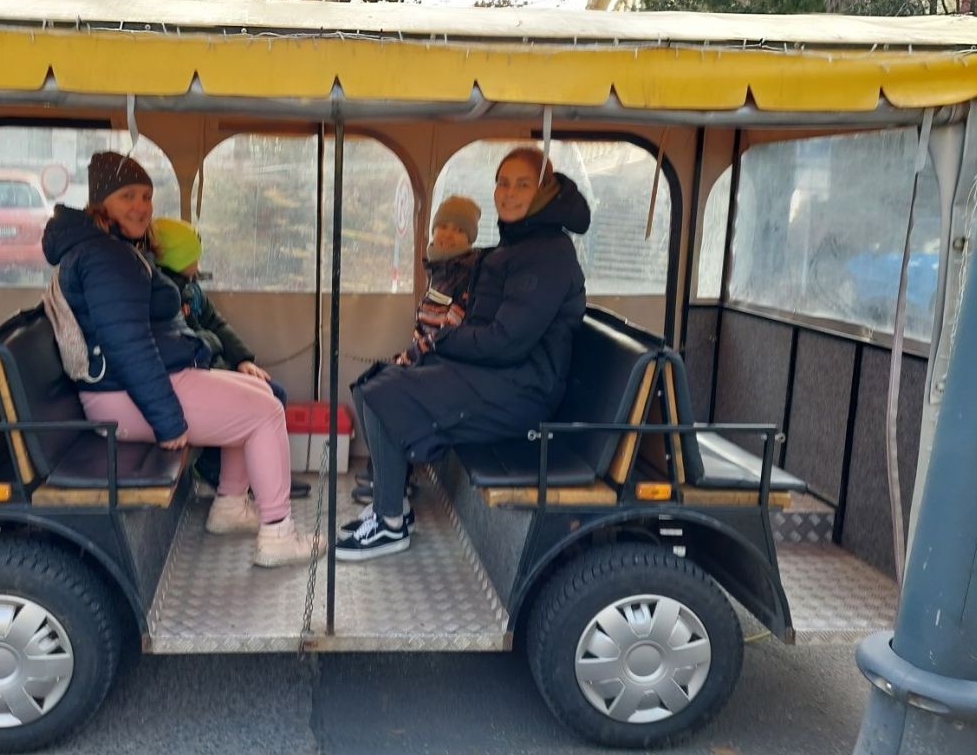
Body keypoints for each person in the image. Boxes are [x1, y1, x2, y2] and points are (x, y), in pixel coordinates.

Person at [41, 151, 322, 568]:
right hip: (123, 397)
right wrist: (166, 419)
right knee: (266, 413)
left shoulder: (113, 249)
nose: (141, 206)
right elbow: (127, 344)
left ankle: (230, 506)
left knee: (260, 394)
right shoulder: (105, 257)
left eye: (146, 196)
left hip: (135, 386)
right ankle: (278, 534)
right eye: (127, 196)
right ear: (101, 203)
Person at [337, 147, 590, 561]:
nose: (509, 193)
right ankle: (392, 503)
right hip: (500, 376)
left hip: (523, 391)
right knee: (375, 382)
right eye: (502, 183)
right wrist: (431, 350)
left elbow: (507, 341)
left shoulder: (547, 255)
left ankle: (389, 525)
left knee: (384, 396)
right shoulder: (518, 245)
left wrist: (439, 343)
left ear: (544, 192)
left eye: (523, 184)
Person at [152, 216, 310, 498]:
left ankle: (266, 475)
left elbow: (216, 323)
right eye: (193, 257)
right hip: (193, 374)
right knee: (269, 398)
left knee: (273, 392)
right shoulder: (165, 293)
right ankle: (214, 470)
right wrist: (216, 348)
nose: (198, 263)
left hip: (212, 365)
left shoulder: (191, 289)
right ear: (179, 258)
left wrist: (242, 360)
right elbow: (193, 342)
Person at [349, 194, 484, 508]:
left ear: (470, 239)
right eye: (443, 226)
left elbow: (449, 330)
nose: (448, 234)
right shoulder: (441, 269)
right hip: (429, 357)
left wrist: (410, 357)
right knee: (363, 387)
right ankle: (388, 474)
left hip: (446, 365)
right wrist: (409, 353)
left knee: (380, 394)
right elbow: (424, 325)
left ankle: (394, 486)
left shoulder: (468, 274)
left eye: (459, 230)